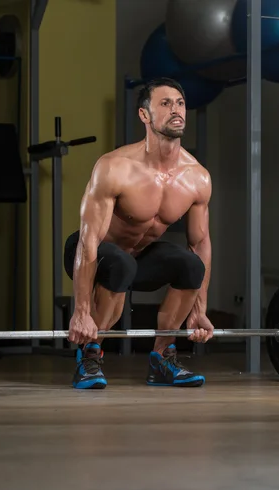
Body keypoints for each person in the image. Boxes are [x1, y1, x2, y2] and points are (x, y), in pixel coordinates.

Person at [64, 77, 215, 390]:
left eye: (180, 103)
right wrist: (80, 311)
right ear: (145, 116)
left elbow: (199, 244)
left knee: (191, 265)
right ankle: (89, 354)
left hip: (139, 259)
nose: (176, 110)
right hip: (95, 253)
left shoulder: (197, 177)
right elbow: (89, 241)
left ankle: (162, 358)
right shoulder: (114, 167)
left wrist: (200, 311)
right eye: (165, 103)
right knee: (121, 264)